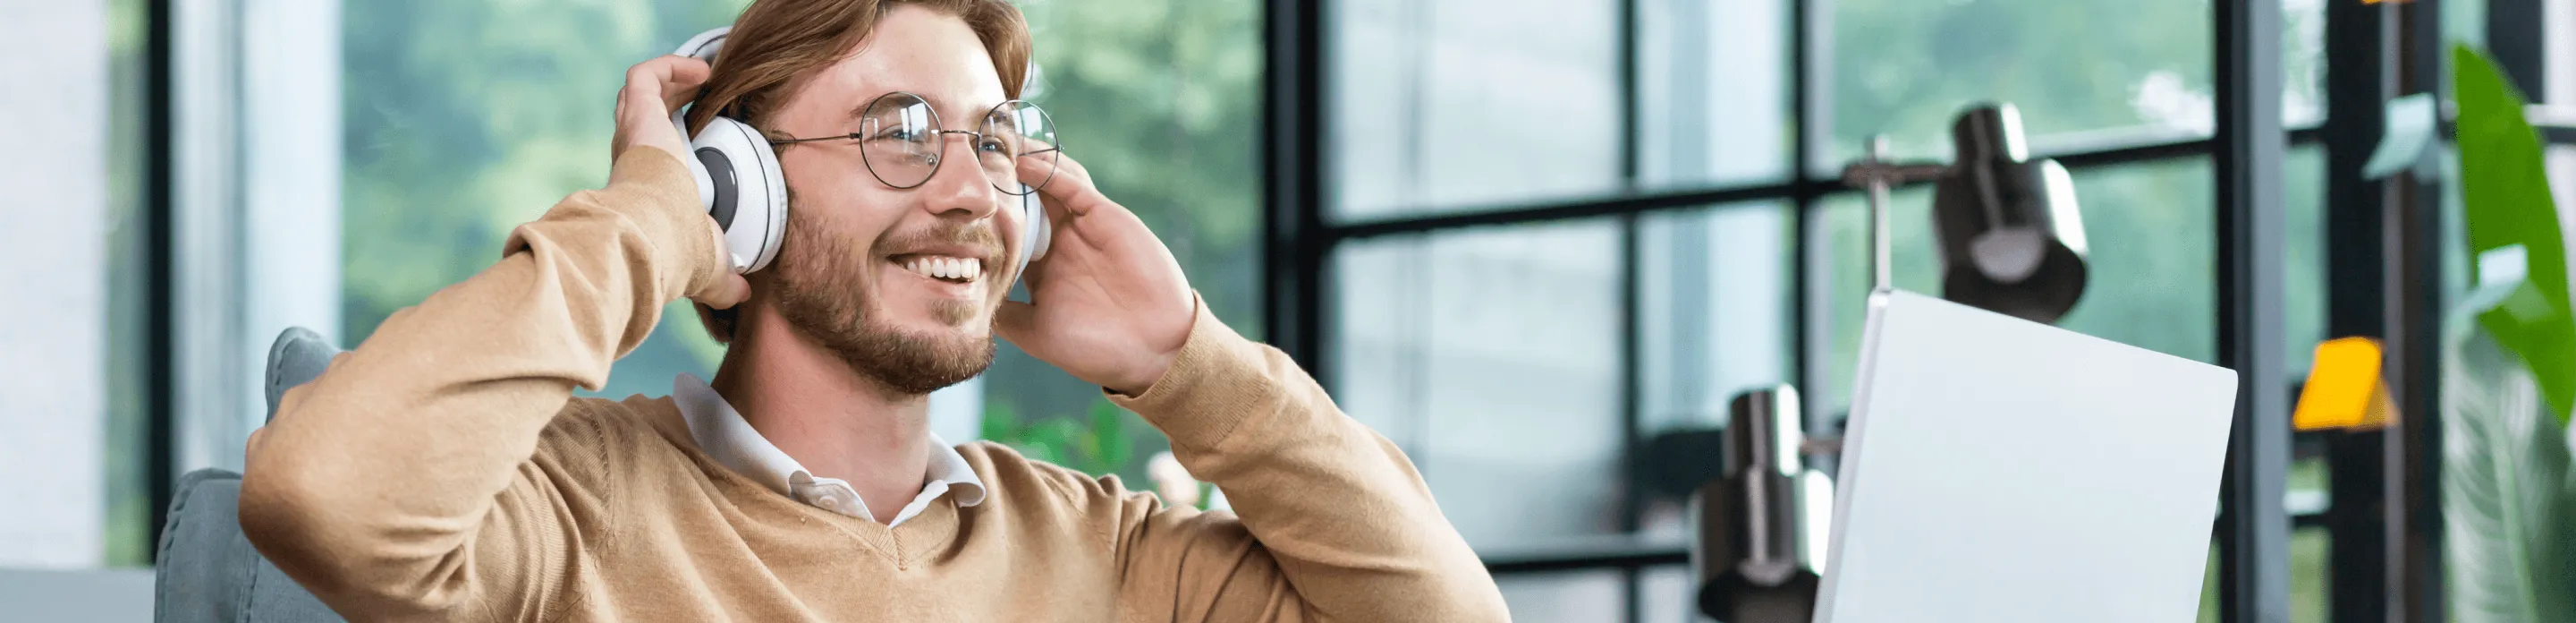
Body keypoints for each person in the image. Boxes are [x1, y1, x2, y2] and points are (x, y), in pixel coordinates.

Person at [234, 0, 1507, 620]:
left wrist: (1189, 362)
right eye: (903, 133)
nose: (971, 191)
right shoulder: (568, 513)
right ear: (744, 194)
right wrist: (649, 220)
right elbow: (321, 496)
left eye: (997, 143)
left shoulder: (1107, 556)